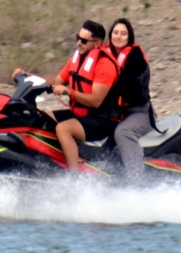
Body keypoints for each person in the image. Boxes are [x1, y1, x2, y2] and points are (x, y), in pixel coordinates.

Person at [18, 20, 118, 172]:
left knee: (63, 129)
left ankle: (74, 176)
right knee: (43, 118)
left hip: (101, 121)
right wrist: (28, 76)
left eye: (84, 41)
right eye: (78, 38)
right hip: (80, 114)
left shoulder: (105, 65)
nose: (79, 43)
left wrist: (69, 92)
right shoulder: (77, 60)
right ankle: (47, 161)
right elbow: (56, 81)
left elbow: (96, 101)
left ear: (97, 44)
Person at [106, 17, 155, 178]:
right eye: (115, 33)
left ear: (129, 37)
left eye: (123, 33)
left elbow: (123, 83)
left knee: (123, 132)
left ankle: (135, 178)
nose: (118, 36)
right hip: (117, 113)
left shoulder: (135, 57)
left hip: (140, 113)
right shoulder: (105, 55)